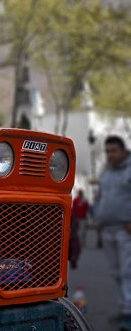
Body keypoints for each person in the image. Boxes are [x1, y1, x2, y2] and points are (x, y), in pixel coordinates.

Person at [94, 135, 131, 331]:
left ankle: (129, 312)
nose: (109, 155)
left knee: (128, 272)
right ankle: (125, 308)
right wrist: (98, 220)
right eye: (107, 151)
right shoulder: (106, 172)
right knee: (116, 272)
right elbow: (100, 197)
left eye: (113, 151)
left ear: (123, 151)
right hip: (108, 228)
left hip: (126, 230)